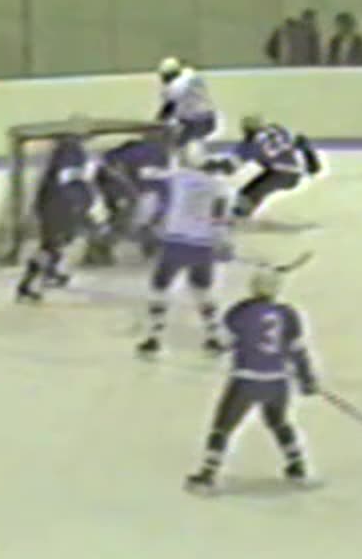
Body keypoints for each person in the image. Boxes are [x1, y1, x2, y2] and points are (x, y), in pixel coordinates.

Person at [184, 265, 318, 495]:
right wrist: (307, 379)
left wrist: (214, 346)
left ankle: (208, 473)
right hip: (277, 382)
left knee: (223, 427)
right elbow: (296, 350)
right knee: (279, 421)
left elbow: (223, 342)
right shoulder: (288, 314)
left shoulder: (239, 312)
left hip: (246, 380)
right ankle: (298, 466)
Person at [137, 144, 234, 358]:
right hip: (203, 246)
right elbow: (220, 221)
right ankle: (214, 337)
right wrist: (224, 244)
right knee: (203, 292)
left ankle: (154, 338)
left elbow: (146, 177)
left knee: (160, 289)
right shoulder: (220, 187)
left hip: (175, 243)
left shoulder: (177, 177)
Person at [15, 120, 99, 303]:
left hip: (54, 206)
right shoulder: (72, 153)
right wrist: (79, 205)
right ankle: (28, 284)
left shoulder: (65, 152)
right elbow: (68, 182)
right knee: (52, 245)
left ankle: (47, 274)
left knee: (56, 244)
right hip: (59, 208)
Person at [85, 126, 174, 265]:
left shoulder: (160, 154)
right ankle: (100, 247)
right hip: (128, 194)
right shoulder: (147, 150)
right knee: (128, 221)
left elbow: (162, 183)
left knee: (142, 220)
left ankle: (151, 241)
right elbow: (107, 163)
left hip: (139, 195)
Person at [219, 115, 322, 219]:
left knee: (248, 196)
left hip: (282, 174)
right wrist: (312, 161)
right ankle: (242, 214)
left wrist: (213, 167)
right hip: (292, 170)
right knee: (250, 193)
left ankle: (239, 219)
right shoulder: (277, 129)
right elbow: (301, 139)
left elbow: (230, 168)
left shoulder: (250, 144)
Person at [156, 57, 217, 147]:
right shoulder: (190, 74)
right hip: (209, 118)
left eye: (164, 76)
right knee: (181, 142)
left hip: (196, 122)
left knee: (180, 145)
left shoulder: (176, 85)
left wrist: (156, 123)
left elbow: (168, 108)